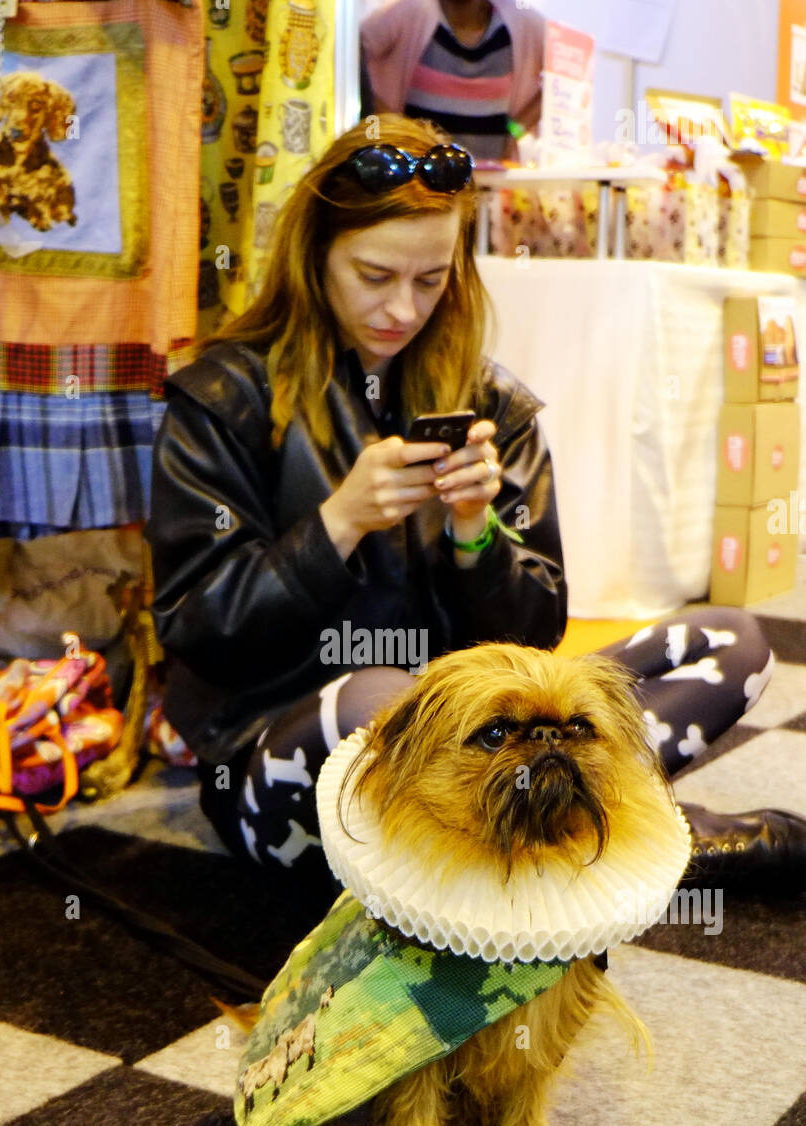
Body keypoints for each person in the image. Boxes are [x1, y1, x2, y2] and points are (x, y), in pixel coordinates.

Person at [147, 114, 806, 912]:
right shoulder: (223, 398)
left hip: (481, 747)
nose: (401, 308)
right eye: (374, 274)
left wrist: (475, 534)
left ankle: (530, 849)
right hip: (284, 765)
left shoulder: (490, 401)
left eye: (430, 281)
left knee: (730, 640)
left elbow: (536, 644)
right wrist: (336, 527)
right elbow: (195, 628)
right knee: (376, 699)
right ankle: (627, 847)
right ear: (314, 252)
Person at [360, 0, 545, 161]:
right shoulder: (411, 9)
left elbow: (565, 66)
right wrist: (396, 126)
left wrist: (517, 130)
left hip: (491, 184)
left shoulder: (519, 19)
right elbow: (352, 50)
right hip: (419, 184)